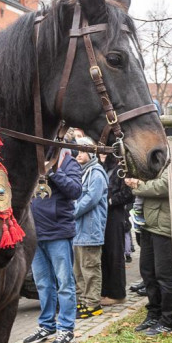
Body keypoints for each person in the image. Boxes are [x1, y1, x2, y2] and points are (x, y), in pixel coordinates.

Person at [126, 111, 172, 336]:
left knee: (165, 275)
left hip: (166, 221)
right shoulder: (161, 149)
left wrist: (137, 185)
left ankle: (168, 320)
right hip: (149, 220)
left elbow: (166, 186)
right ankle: (153, 313)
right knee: (147, 271)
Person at [23, 139, 83, 343]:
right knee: (42, 284)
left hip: (58, 233)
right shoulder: (32, 164)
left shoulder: (68, 162)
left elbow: (75, 190)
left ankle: (66, 328)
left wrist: (56, 172)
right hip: (35, 234)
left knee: (64, 283)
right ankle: (46, 325)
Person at [73, 136, 109, 320]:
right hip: (78, 230)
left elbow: (90, 199)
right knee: (78, 269)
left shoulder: (96, 172)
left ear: (91, 152)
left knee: (90, 268)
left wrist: (71, 212)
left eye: (81, 151)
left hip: (90, 230)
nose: (78, 155)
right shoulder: (81, 171)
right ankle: (82, 301)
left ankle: (93, 304)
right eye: (77, 151)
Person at [101, 153, 134, 306]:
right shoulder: (103, 167)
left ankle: (118, 293)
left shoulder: (121, 168)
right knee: (105, 254)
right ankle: (106, 291)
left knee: (115, 255)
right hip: (103, 215)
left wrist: (110, 201)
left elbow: (128, 194)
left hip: (116, 214)